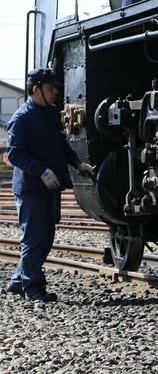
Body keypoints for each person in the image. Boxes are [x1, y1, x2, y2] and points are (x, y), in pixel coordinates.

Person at [6, 68, 94, 302]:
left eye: (55, 87)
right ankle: (33, 289)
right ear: (35, 90)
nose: (55, 91)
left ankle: (18, 281)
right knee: (34, 239)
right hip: (31, 189)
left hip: (49, 187)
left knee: (45, 238)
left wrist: (78, 164)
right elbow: (14, 154)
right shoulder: (22, 118)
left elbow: (62, 146)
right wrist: (40, 171)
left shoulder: (52, 113)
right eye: (50, 88)